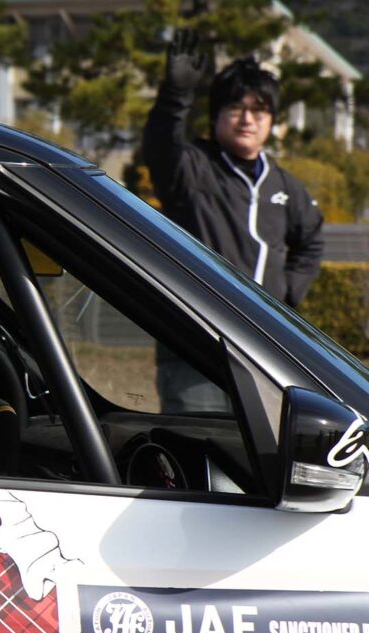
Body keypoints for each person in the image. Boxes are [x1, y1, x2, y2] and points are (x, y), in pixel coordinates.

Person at [143, 29, 324, 413]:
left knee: (262, 463)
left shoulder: (285, 185)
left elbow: (311, 239)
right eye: (235, 109)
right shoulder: (192, 168)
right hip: (197, 348)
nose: (247, 119)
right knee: (200, 453)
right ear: (216, 116)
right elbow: (160, 146)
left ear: (271, 121)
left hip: (268, 353)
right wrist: (175, 96)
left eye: (259, 111)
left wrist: (288, 294)